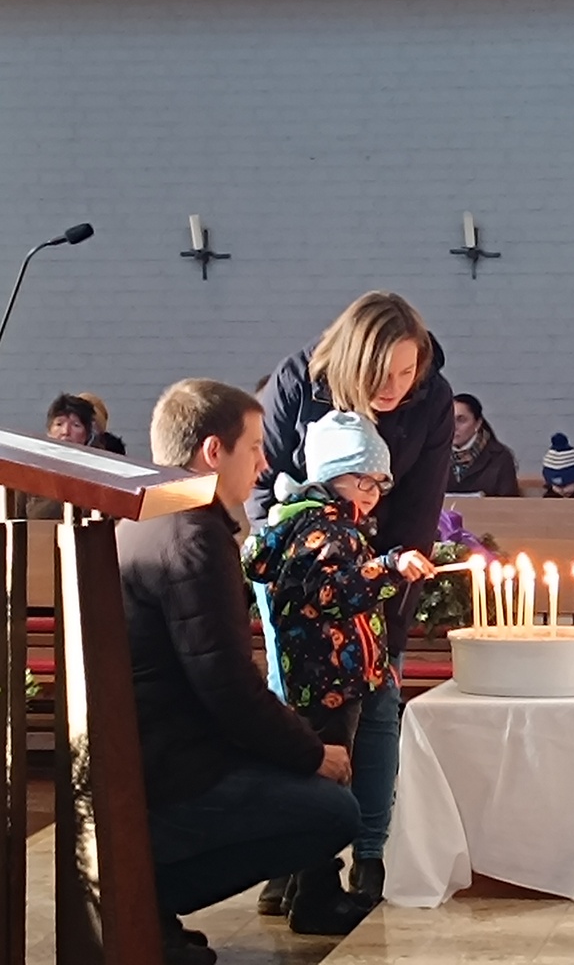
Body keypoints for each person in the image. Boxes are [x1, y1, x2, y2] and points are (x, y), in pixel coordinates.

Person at [117, 379, 367, 964]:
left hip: (148, 753)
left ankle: (144, 903)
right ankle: (142, 903)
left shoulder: (142, 519)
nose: (263, 464)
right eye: (253, 447)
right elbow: (227, 687)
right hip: (175, 770)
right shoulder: (194, 538)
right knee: (333, 812)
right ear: (213, 451)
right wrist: (311, 753)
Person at [248, 290, 453, 905]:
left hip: (378, 570)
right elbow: (261, 486)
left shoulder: (431, 399)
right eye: (382, 373)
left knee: (380, 704)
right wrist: (293, 571)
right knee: (295, 716)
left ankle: (369, 855)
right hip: (298, 575)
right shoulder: (296, 380)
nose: (395, 387)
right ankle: (290, 859)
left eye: (406, 372)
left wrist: (386, 605)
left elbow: (417, 511)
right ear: (351, 362)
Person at [244, 410, 434, 769]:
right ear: (331, 474)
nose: (373, 493)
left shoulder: (334, 525)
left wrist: (376, 667)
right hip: (325, 684)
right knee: (331, 773)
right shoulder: (326, 530)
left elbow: (356, 615)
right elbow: (330, 593)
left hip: (333, 679)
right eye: (364, 480)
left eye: (380, 484)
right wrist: (388, 567)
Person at [17, 394, 97, 519]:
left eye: (76, 425)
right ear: (49, 431)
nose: (66, 432)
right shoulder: (31, 472)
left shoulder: (96, 475)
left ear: (87, 435)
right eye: (59, 424)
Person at [448, 393, 519, 496]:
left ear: (478, 423)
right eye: (449, 420)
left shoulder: (499, 457)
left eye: (461, 420)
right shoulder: (434, 455)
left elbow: (509, 500)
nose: (454, 427)